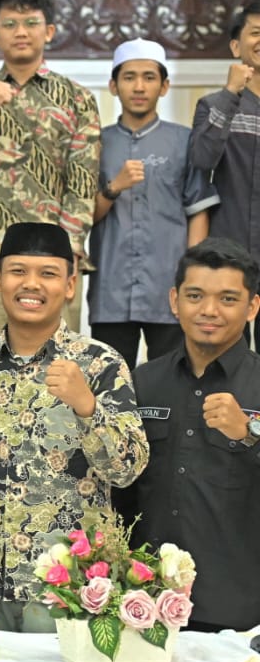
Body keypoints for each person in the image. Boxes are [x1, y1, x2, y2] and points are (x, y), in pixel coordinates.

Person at [0, 222, 147, 632]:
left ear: (70, 285)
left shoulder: (100, 364)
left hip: (73, 592)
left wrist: (86, 406)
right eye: (18, 271)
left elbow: (128, 470)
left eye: (47, 273)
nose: (31, 284)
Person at [118, 239, 260, 633]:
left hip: (240, 616)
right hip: (144, 606)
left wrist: (250, 434)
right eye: (195, 295)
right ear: (174, 300)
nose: (209, 310)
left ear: (253, 307)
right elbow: (120, 491)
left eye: (228, 298)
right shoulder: (142, 381)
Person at [0, 0, 101, 347]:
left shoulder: (76, 98)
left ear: (48, 31)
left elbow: (82, 182)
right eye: (10, 24)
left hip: (52, 258)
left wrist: (71, 255)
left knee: (58, 363)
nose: (21, 32)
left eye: (31, 23)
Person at [89, 39, 216, 366]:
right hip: (110, 288)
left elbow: (198, 207)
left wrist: (193, 274)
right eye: (129, 77)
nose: (139, 86)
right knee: (109, 383)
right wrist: (114, 186)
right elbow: (84, 216)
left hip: (169, 286)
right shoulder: (96, 142)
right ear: (113, 86)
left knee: (172, 379)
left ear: (164, 86)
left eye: (149, 77)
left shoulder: (184, 140)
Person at [190, 0, 260, 341]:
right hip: (230, 255)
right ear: (237, 45)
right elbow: (202, 159)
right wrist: (232, 92)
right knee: (227, 353)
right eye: (256, 33)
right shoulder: (213, 105)